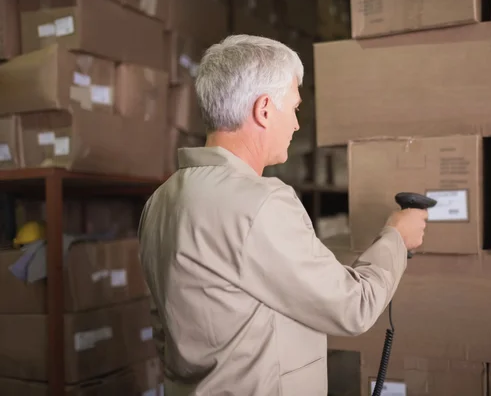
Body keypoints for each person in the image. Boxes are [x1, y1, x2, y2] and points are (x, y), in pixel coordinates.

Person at [137, 34, 429, 396]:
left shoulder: (160, 202)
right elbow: (354, 307)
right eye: (293, 108)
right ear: (263, 110)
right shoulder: (260, 202)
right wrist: (396, 239)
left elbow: (164, 333)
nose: (295, 124)